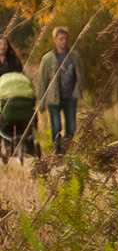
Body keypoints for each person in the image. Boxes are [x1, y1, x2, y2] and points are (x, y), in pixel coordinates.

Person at [35, 27, 79, 156]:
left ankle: (65, 148)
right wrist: (41, 101)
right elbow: (42, 80)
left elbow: (80, 76)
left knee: (71, 127)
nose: (63, 41)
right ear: (55, 40)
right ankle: (57, 151)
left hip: (70, 97)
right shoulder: (48, 58)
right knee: (56, 126)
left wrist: (76, 92)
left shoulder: (74, 56)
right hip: (53, 97)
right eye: (60, 39)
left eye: (65, 39)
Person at [0, 43, 36, 161]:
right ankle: (6, 147)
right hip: (3, 95)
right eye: (0, 44)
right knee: (4, 121)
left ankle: (27, 147)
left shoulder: (14, 60)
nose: (2, 46)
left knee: (23, 120)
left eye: (4, 44)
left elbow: (21, 75)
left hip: (16, 94)